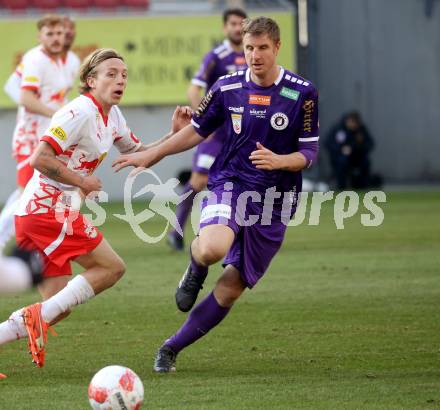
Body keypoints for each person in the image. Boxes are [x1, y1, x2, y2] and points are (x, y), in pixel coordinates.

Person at [112, 16, 320, 372]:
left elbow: (309, 153)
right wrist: (153, 153)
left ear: (277, 47)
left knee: (230, 289)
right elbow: (195, 130)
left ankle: (170, 348)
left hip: (274, 202)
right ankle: (194, 269)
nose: (254, 55)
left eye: (262, 48)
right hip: (231, 184)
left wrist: (280, 161)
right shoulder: (226, 87)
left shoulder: (302, 92)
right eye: (249, 47)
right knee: (211, 248)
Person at [0, 48, 191, 368]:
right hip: (44, 211)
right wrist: (82, 181)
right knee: (111, 268)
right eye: (111, 74)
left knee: (57, 307)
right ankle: (32, 318)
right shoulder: (78, 113)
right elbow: (40, 159)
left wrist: (174, 134)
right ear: (91, 80)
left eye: (124, 75)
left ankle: (20, 325)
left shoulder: (112, 117)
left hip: (50, 212)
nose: (120, 80)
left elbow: (141, 152)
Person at [167, 8, 248, 251]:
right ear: (225, 27)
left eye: (241, 24)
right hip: (218, 133)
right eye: (233, 24)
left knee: (246, 181)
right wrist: (205, 119)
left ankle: (240, 233)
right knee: (198, 181)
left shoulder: (254, 53)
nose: (237, 28)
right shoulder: (216, 56)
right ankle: (176, 230)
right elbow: (194, 90)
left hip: (243, 132)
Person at [0, 15, 80, 254]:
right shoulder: (35, 59)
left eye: (64, 32)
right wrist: (53, 113)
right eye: (52, 33)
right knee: (26, 192)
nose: (60, 37)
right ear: (41, 35)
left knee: (40, 190)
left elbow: (59, 96)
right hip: (31, 136)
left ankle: (48, 238)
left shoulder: (72, 61)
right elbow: (23, 97)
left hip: (52, 136)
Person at [325, 111, 375, 190]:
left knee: (365, 162)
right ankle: (341, 187)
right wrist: (341, 149)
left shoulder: (361, 130)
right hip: (340, 156)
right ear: (347, 121)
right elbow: (328, 144)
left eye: (356, 123)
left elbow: (370, 144)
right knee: (342, 162)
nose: (354, 125)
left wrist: (357, 147)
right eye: (352, 122)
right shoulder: (338, 129)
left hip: (357, 156)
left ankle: (363, 186)